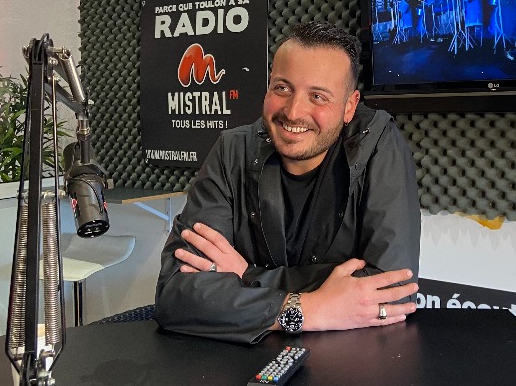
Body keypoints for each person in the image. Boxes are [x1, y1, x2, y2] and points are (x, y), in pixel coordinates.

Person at [155, 21, 421, 344]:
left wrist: (249, 276)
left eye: (318, 96)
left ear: (349, 106)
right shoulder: (232, 151)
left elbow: (391, 291)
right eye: (282, 88)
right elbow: (175, 294)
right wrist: (310, 308)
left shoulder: (377, 143)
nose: (294, 112)